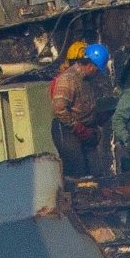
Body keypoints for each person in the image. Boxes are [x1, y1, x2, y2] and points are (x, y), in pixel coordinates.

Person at [49, 42, 111, 181]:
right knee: (78, 174)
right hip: (68, 130)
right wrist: (78, 128)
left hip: (85, 130)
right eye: (96, 69)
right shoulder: (68, 79)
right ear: (91, 65)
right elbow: (59, 109)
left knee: (95, 172)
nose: (97, 73)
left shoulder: (86, 80)